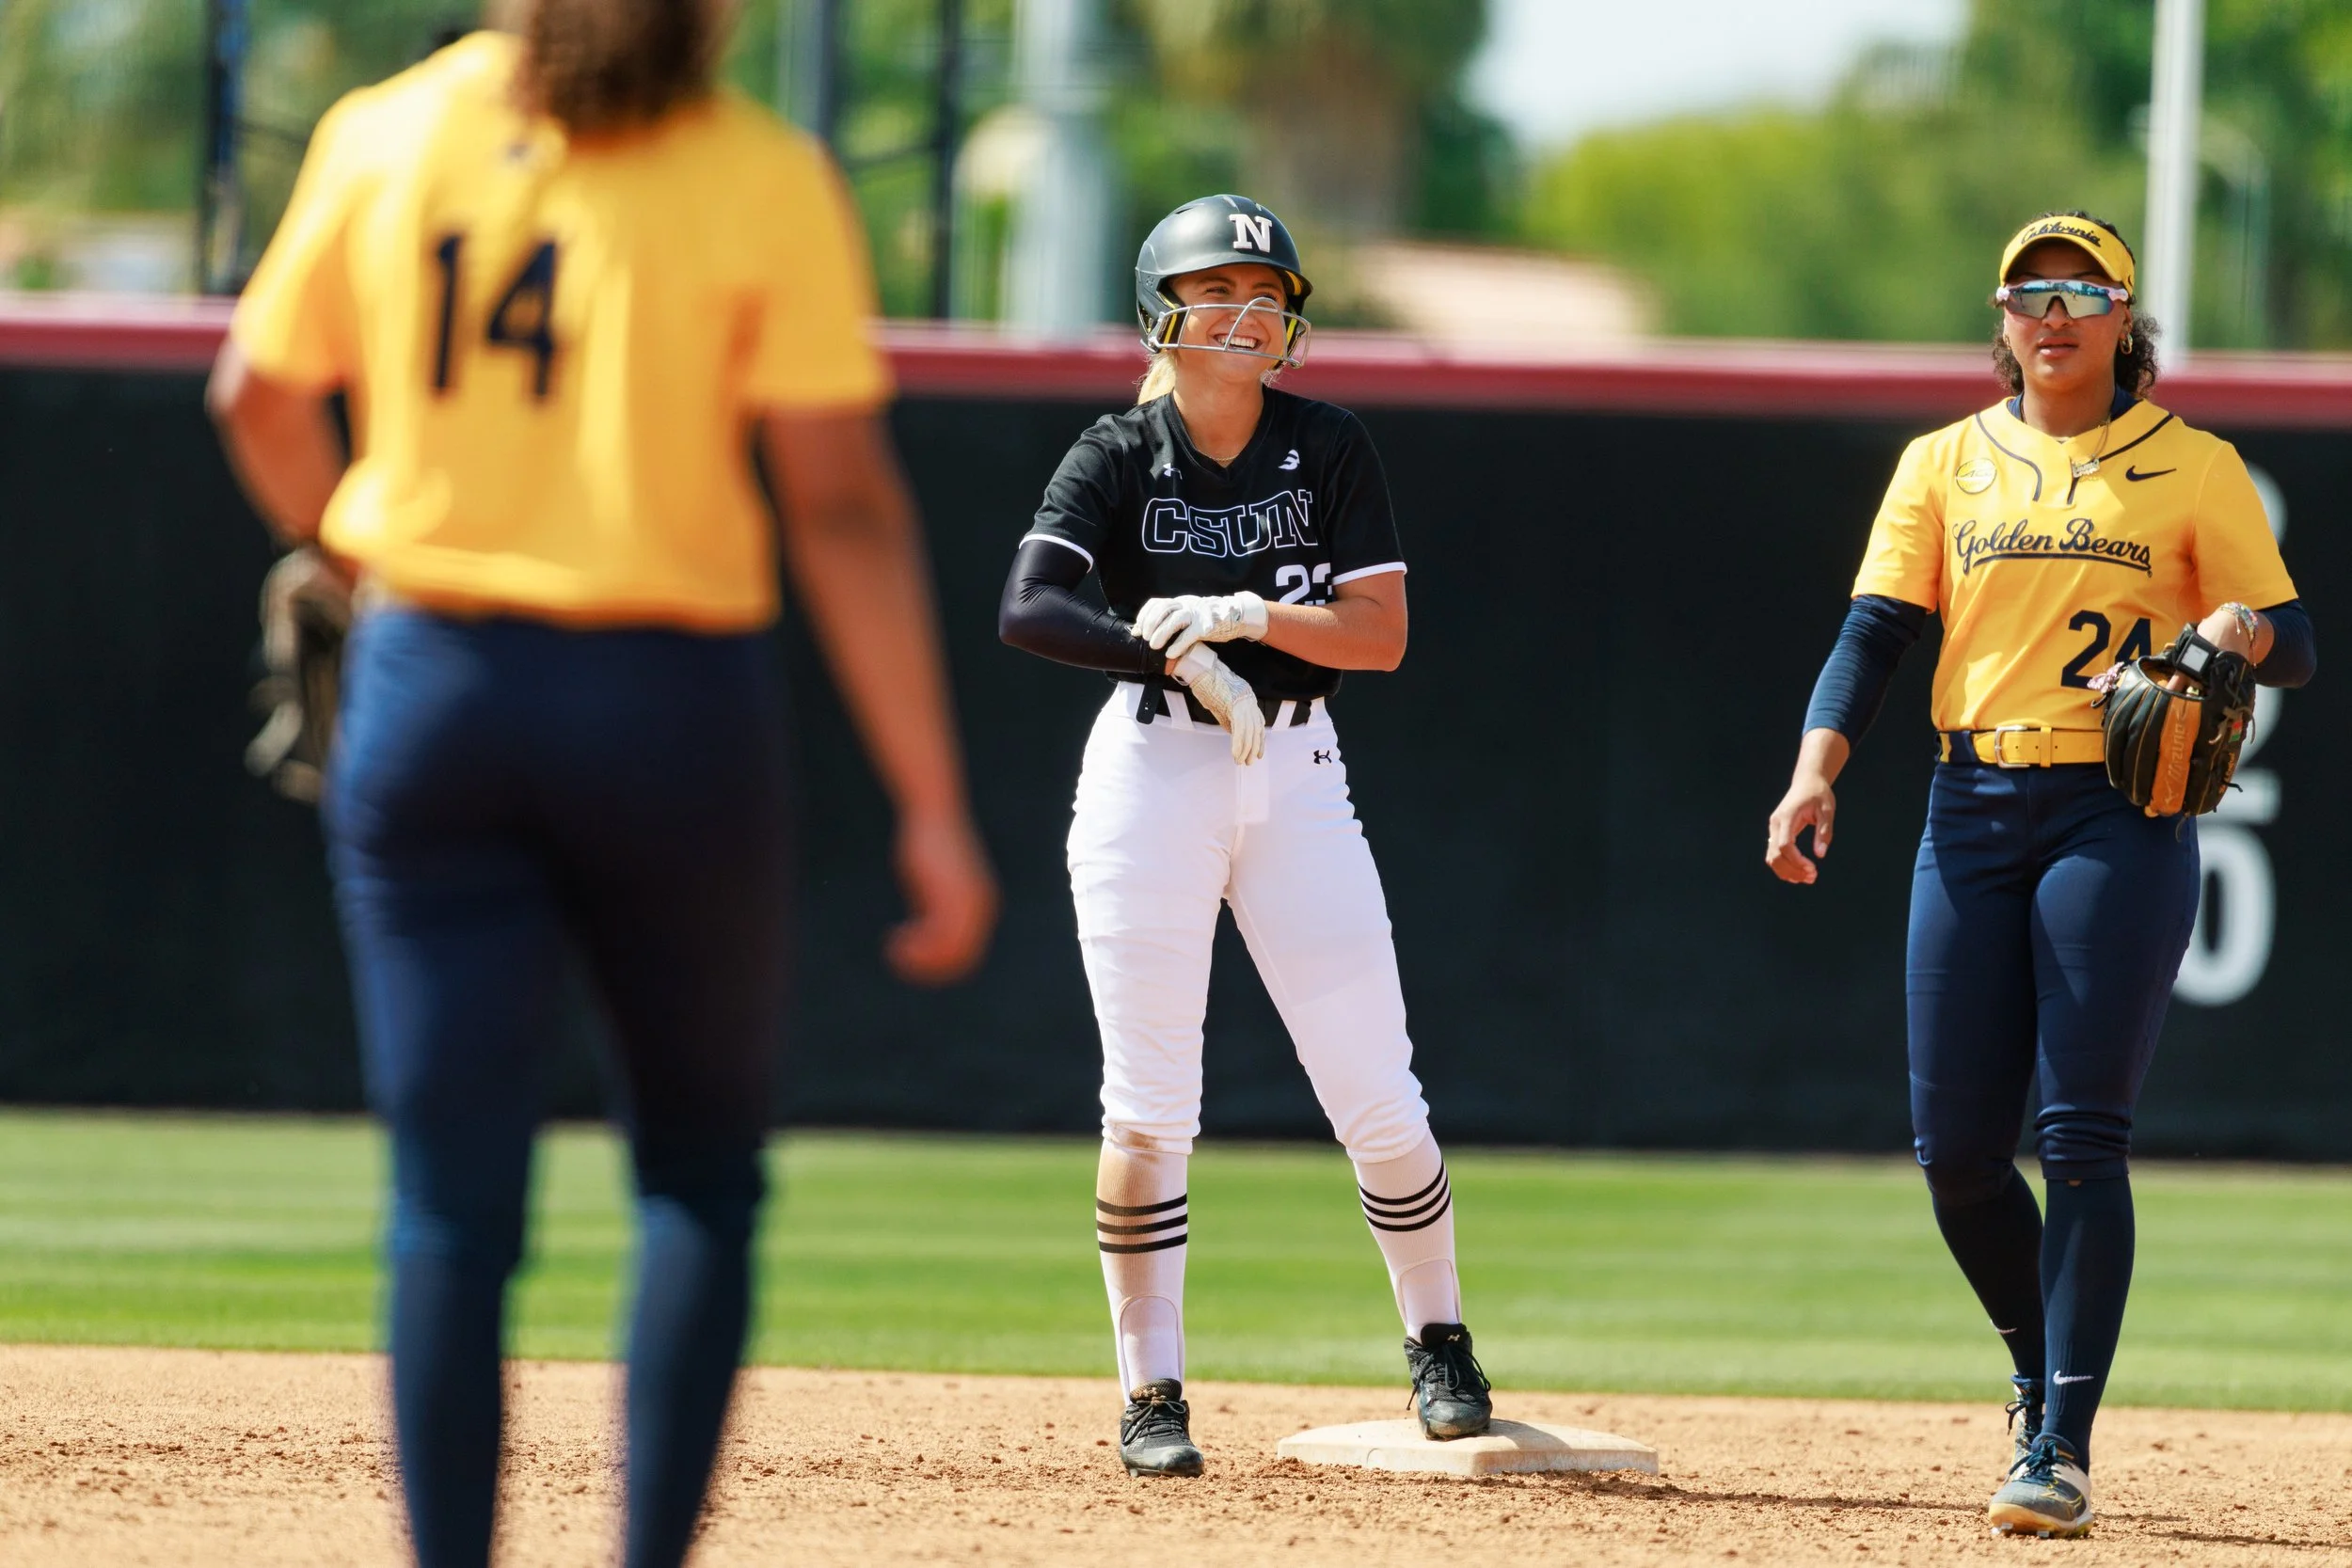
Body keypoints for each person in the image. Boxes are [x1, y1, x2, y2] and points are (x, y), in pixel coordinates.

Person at [205, 6, 997, 1564]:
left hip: (437, 688)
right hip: (668, 703)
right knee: (697, 1170)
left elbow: (256, 396)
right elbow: (839, 502)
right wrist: (931, 801)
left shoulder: (390, 132)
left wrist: (356, 554)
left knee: (449, 1205)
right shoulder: (757, 171)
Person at [1764, 211, 2314, 1539]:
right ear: (2001, 322)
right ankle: (2035, 1362)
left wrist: (2239, 625)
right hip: (1970, 802)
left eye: (2082, 291)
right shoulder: (1944, 463)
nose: (2052, 313)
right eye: (2029, 293)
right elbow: (1873, 634)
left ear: (2126, 319)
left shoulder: (2193, 466)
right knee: (1957, 1153)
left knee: (2079, 1136)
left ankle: (2060, 1440)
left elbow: (2293, 642)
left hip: (2115, 813)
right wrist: (1813, 771)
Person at [998, 194, 1492, 1478]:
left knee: (1377, 1089)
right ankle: (1150, 1389)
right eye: (1214, 290)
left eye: (1266, 296)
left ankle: (1439, 1339)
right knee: (1149, 1106)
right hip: (1152, 770)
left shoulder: (1326, 442)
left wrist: (1249, 621)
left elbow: (1380, 637)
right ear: (1159, 312)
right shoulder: (1120, 449)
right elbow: (1030, 606)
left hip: (1297, 768)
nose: (1244, 314)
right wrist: (1168, 652)